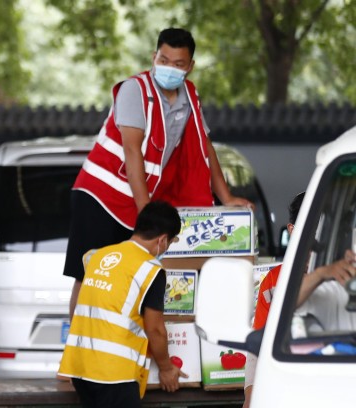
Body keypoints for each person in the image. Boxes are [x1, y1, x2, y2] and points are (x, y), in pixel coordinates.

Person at [65, 27, 252, 316]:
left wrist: (225, 196)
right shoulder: (134, 90)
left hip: (137, 200)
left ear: (190, 67)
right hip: (101, 195)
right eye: (163, 60)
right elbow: (132, 152)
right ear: (154, 57)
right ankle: (77, 341)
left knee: (135, 274)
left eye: (178, 64)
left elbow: (203, 147)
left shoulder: (189, 95)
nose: (169, 68)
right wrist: (146, 213)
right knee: (91, 276)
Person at [58, 201, 185, 408]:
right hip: (112, 371)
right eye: (170, 242)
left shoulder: (99, 256)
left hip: (81, 365)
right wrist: (168, 368)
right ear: (161, 240)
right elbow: (156, 329)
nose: (167, 248)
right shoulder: (150, 270)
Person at [242, 192, 356, 408]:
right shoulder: (275, 280)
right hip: (291, 396)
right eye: (311, 230)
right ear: (293, 230)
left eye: (323, 230)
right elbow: (259, 344)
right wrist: (250, 392)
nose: (316, 240)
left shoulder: (345, 274)